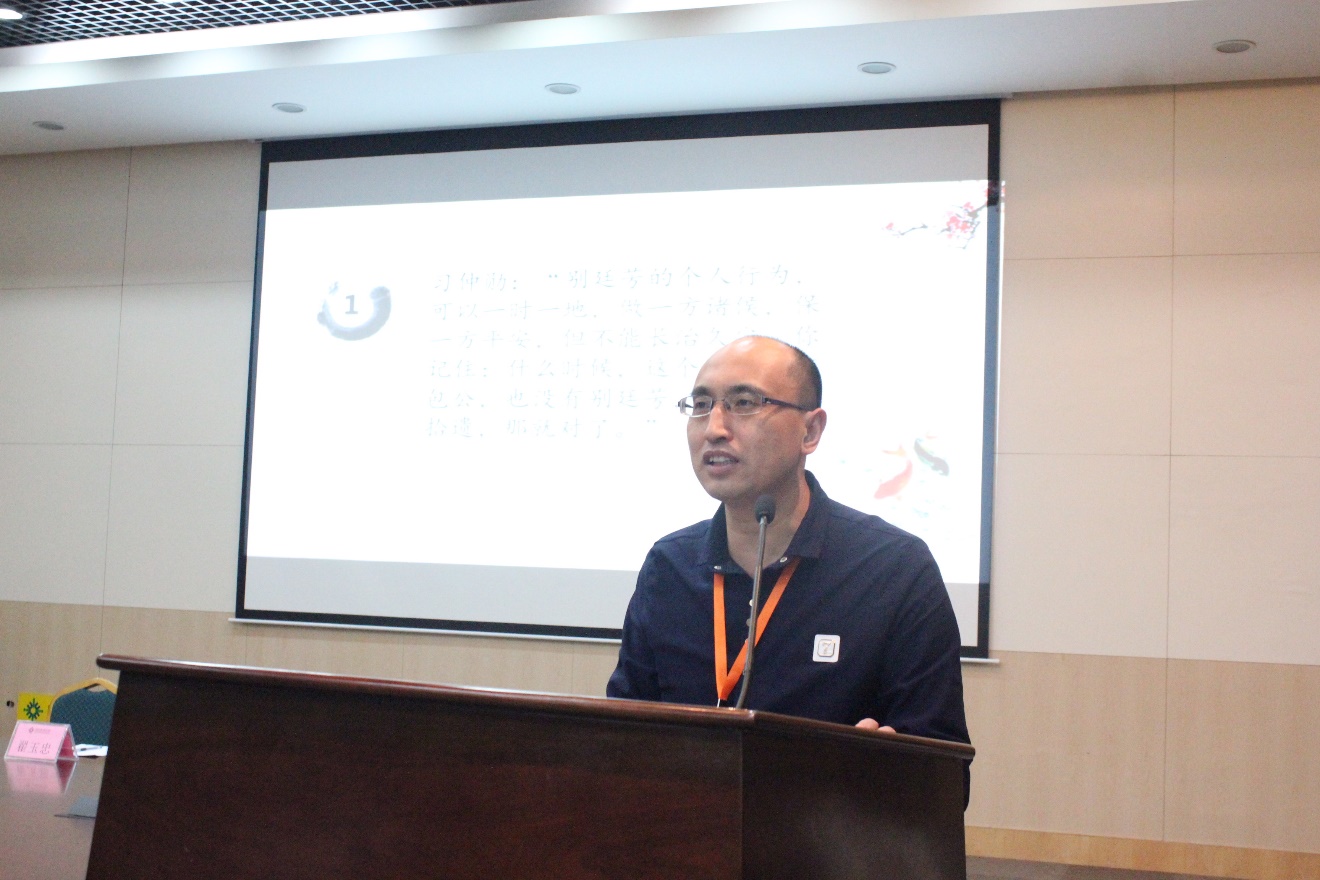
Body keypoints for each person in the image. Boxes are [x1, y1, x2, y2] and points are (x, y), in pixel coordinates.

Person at [606, 336, 970, 763]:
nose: (714, 428)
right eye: (701, 405)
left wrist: (883, 770)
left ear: (810, 431)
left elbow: (944, 770)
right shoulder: (669, 566)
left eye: (744, 403)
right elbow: (619, 743)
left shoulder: (894, 569)